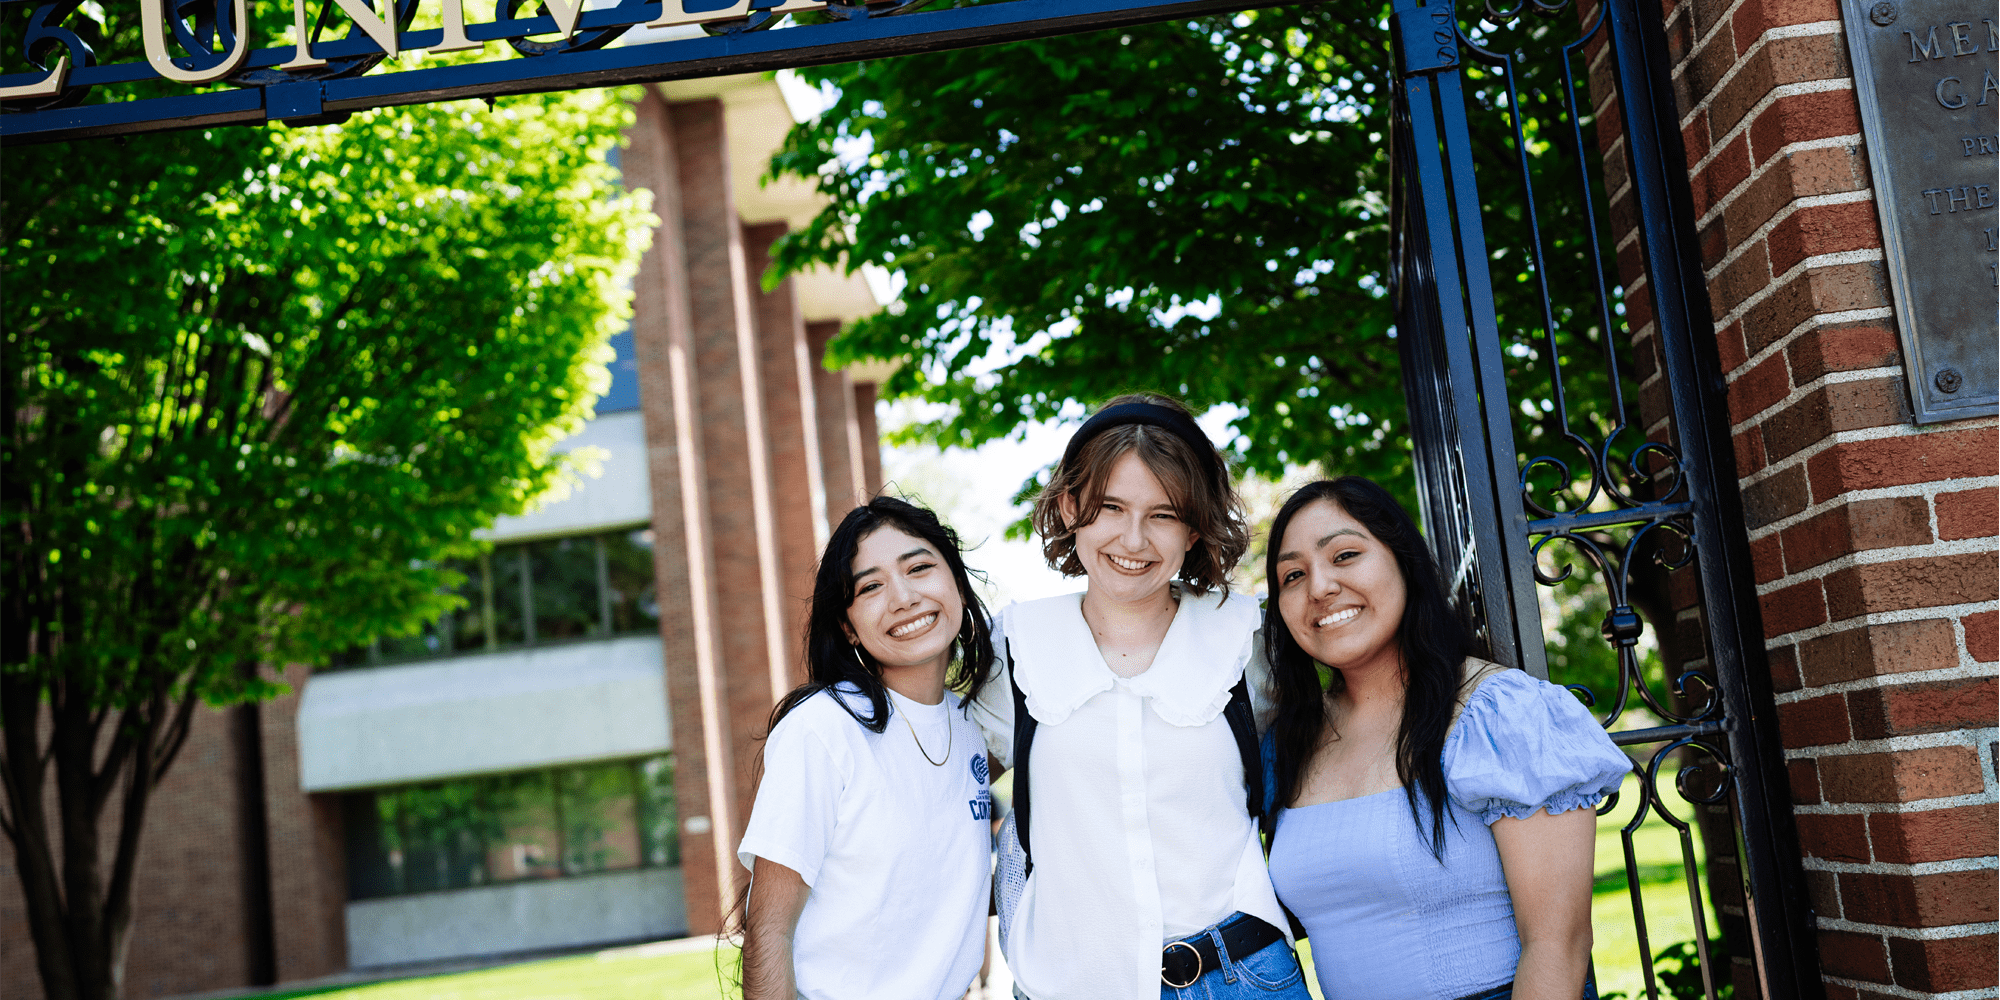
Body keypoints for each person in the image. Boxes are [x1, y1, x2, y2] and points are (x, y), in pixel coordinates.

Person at [970, 393, 1311, 1000]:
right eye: (1110, 507)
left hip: (1239, 978)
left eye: (1163, 514)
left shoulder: (1248, 635)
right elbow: (942, 791)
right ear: (1072, 507)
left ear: (1195, 525)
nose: (1134, 539)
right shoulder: (1015, 647)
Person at [1260, 477, 1632, 1000]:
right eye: (1292, 575)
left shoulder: (1498, 713)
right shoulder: (1288, 742)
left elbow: (1557, 946)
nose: (1319, 587)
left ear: (1403, 561)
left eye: (1344, 555)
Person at [738, 496, 997, 1000]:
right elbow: (769, 929)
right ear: (848, 624)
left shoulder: (973, 730)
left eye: (919, 568)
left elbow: (936, 896)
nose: (902, 598)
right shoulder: (824, 728)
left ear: (959, 586)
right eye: (871, 587)